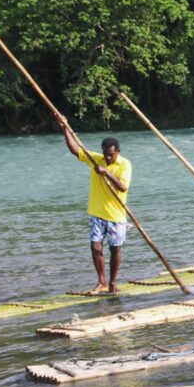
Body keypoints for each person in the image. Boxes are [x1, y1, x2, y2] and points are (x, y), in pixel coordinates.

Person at [55, 114, 133, 295]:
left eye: (111, 155)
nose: (107, 158)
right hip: (97, 212)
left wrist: (106, 172)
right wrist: (64, 127)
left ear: (118, 152)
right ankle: (102, 282)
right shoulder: (96, 159)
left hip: (115, 215)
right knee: (95, 247)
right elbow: (75, 150)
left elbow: (122, 187)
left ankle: (113, 282)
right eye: (105, 154)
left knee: (115, 249)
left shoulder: (125, 165)